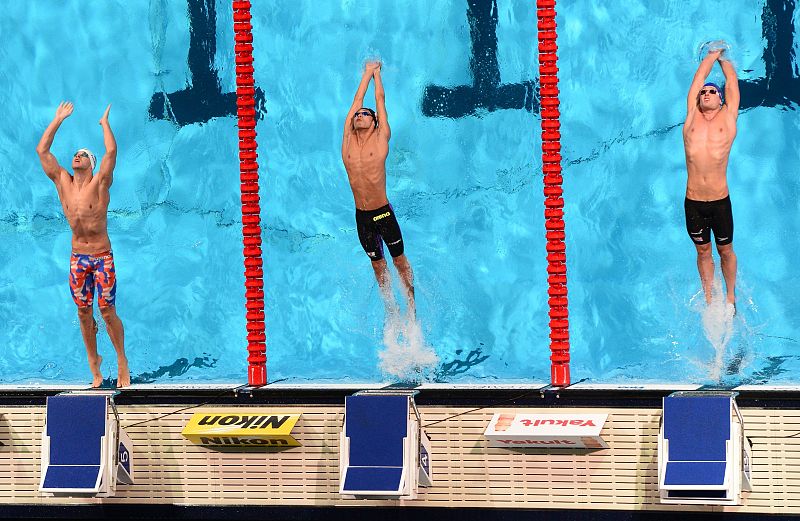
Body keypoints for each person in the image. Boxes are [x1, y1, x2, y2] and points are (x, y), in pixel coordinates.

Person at [36, 102, 130, 387]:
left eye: (82, 155)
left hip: (101, 256)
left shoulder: (100, 184)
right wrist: (57, 119)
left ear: (91, 162)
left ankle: (122, 360)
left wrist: (104, 124)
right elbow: (42, 150)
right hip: (78, 258)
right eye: (75, 154)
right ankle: (95, 364)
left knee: (107, 310)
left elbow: (111, 153)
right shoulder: (62, 181)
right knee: (82, 311)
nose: (76, 156)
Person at [341, 62, 416, 317]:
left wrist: (376, 74)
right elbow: (357, 99)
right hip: (362, 217)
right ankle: (391, 309)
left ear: (374, 122)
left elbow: (379, 100)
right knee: (377, 264)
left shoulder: (381, 137)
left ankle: (411, 305)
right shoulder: (348, 141)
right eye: (357, 115)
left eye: (365, 114)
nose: (359, 115)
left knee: (398, 259)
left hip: (382, 212)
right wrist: (363, 75)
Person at [682, 48, 740, 309]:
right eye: (704, 92)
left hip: (719, 201)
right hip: (693, 202)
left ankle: (730, 296)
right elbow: (697, 80)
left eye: (712, 91)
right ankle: (709, 297)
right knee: (703, 251)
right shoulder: (691, 118)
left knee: (725, 250)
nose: (706, 93)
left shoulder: (728, 118)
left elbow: (732, 84)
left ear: (721, 99)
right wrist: (709, 56)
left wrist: (724, 57)